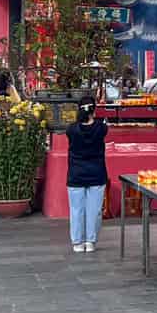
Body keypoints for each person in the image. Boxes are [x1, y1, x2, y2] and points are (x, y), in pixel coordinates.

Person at [65, 96, 108, 253]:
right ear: (94, 110)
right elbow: (103, 127)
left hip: (76, 174)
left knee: (76, 210)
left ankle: (77, 242)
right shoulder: (102, 128)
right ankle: (90, 241)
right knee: (94, 210)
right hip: (97, 173)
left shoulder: (71, 129)